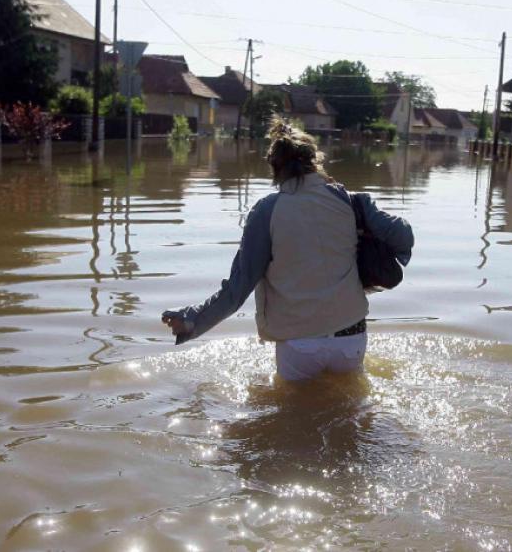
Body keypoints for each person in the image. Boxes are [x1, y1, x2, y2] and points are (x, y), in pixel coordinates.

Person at [162, 117, 414, 382]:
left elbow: (237, 289)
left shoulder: (266, 211)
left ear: (274, 168)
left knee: (295, 419)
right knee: (350, 414)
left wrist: (191, 320)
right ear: (315, 161)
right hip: (352, 337)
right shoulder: (348, 201)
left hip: (299, 345)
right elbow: (403, 236)